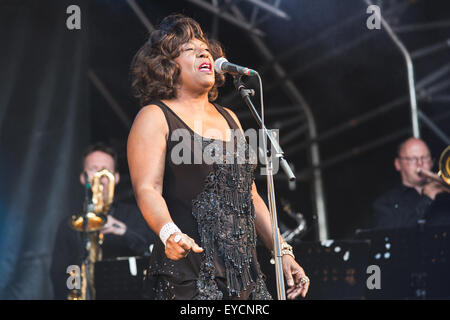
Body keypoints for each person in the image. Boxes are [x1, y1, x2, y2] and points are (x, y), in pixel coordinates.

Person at [127, 14, 309, 300]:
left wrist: (282, 251)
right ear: (167, 67)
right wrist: (168, 233)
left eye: (205, 49)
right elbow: (147, 189)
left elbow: (250, 195)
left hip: (245, 275)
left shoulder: (230, 118)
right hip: (188, 273)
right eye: (189, 50)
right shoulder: (155, 117)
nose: (203, 53)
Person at [50, 142, 155, 299]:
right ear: (82, 177)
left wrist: (124, 231)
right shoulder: (69, 225)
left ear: (116, 177)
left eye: (106, 170)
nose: (100, 176)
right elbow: (59, 273)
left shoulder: (134, 215)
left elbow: (152, 253)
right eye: (93, 169)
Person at [373, 137, 450, 229]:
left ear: (432, 163)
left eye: (424, 158)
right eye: (412, 159)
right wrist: (427, 199)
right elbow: (395, 235)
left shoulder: (445, 194)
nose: (420, 163)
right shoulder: (386, 203)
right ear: (398, 164)